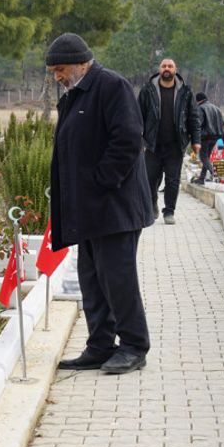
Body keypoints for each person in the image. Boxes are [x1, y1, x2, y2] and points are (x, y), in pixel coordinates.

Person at [45, 32, 153, 375]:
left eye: (60, 70)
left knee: (117, 279)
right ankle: (100, 345)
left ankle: (134, 346)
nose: (57, 77)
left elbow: (128, 139)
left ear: (81, 62)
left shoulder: (111, 86)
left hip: (114, 206)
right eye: (53, 72)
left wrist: (101, 181)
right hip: (90, 209)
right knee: (92, 280)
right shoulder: (76, 94)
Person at [137, 58, 201, 225]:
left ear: (175, 70)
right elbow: (137, 116)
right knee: (149, 179)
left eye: (170, 66)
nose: (167, 68)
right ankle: (152, 204)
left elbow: (194, 118)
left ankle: (169, 211)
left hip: (175, 145)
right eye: (164, 66)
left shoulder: (185, 92)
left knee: (173, 180)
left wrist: (196, 140)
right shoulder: (147, 90)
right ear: (159, 69)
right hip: (153, 145)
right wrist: (138, 140)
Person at [193, 92, 224, 185]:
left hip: (205, 137)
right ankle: (201, 178)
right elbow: (222, 123)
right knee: (206, 158)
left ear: (198, 100)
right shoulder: (216, 108)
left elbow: (198, 123)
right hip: (215, 137)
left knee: (203, 158)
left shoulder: (201, 108)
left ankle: (215, 174)